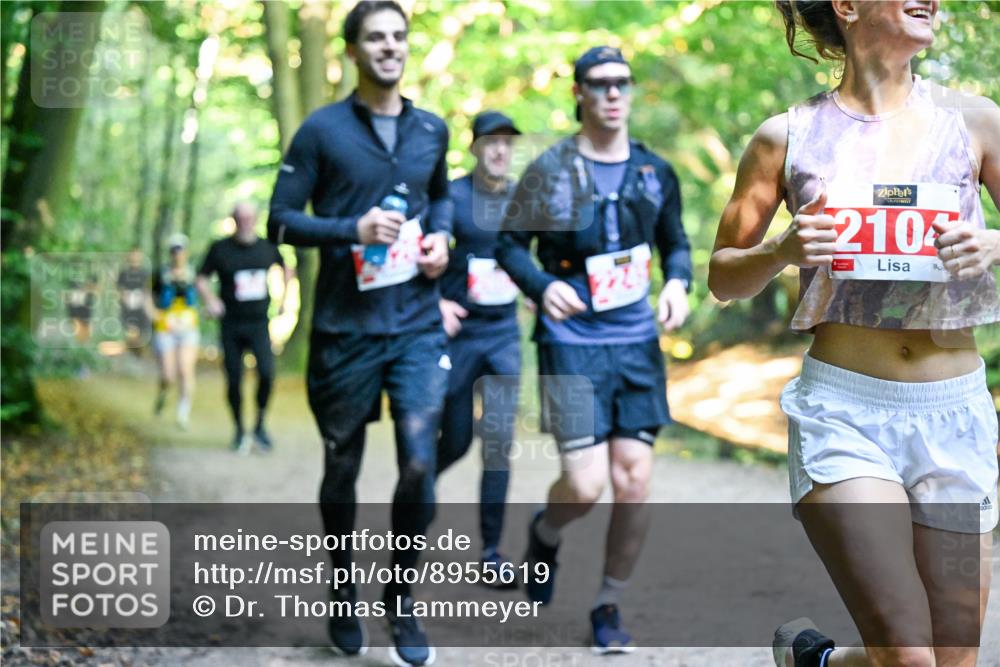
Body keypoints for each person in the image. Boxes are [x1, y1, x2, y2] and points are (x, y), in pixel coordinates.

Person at [707, 2, 1000, 666]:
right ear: (846, 5)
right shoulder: (785, 137)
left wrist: (992, 244)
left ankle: (819, 660)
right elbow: (723, 277)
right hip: (845, 412)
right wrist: (780, 250)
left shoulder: (975, 121)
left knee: (951, 657)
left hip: (953, 413)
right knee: (907, 655)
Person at [266, 2, 452, 664]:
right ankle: (343, 589)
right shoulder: (322, 131)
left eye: (398, 36)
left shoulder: (431, 129)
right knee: (341, 463)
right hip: (345, 329)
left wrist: (442, 240)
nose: (390, 46)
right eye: (376, 37)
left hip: (417, 323)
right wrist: (353, 228)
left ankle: (400, 597)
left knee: (420, 462)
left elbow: (440, 196)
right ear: (352, 51)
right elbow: (280, 221)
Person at [496, 46, 692, 654]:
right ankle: (546, 531)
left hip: (634, 343)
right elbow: (508, 246)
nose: (613, 94)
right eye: (600, 84)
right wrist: (542, 285)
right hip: (571, 342)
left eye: (622, 83)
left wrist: (678, 283)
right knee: (584, 487)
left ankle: (608, 603)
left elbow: (676, 244)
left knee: (633, 481)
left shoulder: (655, 172)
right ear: (578, 92)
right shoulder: (548, 169)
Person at [436, 110, 522, 585]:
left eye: (507, 142)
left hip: (503, 335)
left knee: (498, 442)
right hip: (460, 334)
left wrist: (538, 289)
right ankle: (417, 489)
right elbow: (419, 253)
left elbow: (541, 255)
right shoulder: (450, 196)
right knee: (455, 439)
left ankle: (491, 551)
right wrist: (436, 304)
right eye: (491, 141)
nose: (500, 149)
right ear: (474, 148)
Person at [197, 202, 292, 453]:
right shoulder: (220, 249)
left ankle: (259, 425)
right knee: (234, 378)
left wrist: (285, 300)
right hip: (231, 324)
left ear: (256, 219)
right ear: (234, 219)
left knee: (267, 373)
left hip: (259, 323)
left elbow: (286, 267)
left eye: (249, 217)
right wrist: (211, 300)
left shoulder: (266, 246)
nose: (245, 222)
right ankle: (239, 429)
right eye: (241, 217)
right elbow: (201, 278)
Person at [152, 233, 200, 429]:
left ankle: (183, 413)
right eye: (174, 251)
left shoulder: (194, 274)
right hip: (165, 327)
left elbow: (203, 292)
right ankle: (163, 391)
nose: (177, 254)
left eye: (180, 250)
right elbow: (147, 296)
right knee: (168, 375)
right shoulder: (161, 275)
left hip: (188, 328)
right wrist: (154, 314)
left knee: (185, 369)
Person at [117, 248, 153, 354]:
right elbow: (119, 289)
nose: (135, 258)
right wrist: (125, 299)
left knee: (141, 334)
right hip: (128, 307)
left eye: (137, 255)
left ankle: (139, 354)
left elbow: (148, 290)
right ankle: (131, 353)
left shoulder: (145, 273)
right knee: (131, 331)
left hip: (142, 307)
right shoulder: (124, 273)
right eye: (133, 255)